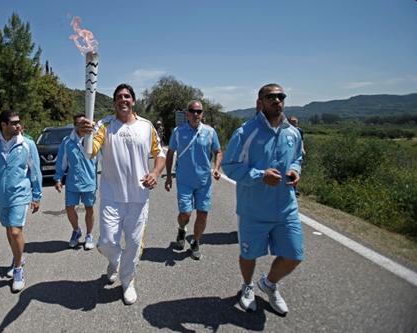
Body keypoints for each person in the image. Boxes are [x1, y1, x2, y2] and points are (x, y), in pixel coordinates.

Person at [222, 83, 303, 315]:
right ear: (260, 102)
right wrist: (259, 176)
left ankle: (268, 284)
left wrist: (295, 170)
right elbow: (230, 167)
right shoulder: (245, 132)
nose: (277, 100)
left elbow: (298, 157)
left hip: (286, 208)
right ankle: (247, 286)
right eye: (271, 97)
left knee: (294, 255)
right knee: (249, 254)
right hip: (253, 209)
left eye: (280, 96)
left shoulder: (293, 132)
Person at [81, 83, 165, 305]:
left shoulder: (147, 127)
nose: (123, 99)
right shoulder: (105, 126)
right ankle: (115, 260)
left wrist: (155, 172)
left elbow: (160, 154)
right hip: (111, 197)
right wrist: (85, 136)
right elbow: (90, 152)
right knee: (107, 241)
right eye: (119, 96)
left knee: (135, 243)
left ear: (133, 101)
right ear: (114, 102)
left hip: (139, 197)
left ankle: (128, 281)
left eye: (127, 96)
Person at [0, 110, 42, 292]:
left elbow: (35, 171)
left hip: (20, 195)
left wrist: (37, 195)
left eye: (19, 122)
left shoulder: (26, 144)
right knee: (8, 228)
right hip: (1, 197)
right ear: (3, 125)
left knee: (14, 231)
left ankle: (18, 269)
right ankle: (17, 257)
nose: (18, 125)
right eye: (14, 123)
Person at [164, 100, 222, 260]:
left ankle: (195, 242)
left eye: (199, 111)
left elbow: (218, 151)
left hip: (204, 182)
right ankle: (182, 229)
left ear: (202, 114)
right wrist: (168, 176)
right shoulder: (178, 131)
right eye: (192, 111)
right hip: (184, 181)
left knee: (203, 214)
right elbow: (170, 153)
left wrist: (216, 168)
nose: (196, 114)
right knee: (186, 214)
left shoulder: (210, 132)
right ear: (187, 114)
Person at [54, 114, 97, 250]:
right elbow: (62, 161)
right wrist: (58, 178)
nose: (82, 125)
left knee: (89, 208)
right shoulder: (67, 142)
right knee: (69, 208)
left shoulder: (94, 139)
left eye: (85, 122)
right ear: (75, 125)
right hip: (73, 182)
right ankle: (76, 230)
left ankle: (89, 234)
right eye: (79, 123)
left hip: (89, 181)